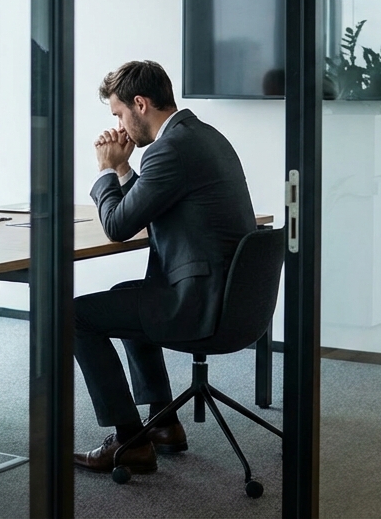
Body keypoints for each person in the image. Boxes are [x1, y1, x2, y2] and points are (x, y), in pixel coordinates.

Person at [72, 60, 258, 475]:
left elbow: (118, 226)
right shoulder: (201, 136)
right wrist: (124, 168)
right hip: (232, 298)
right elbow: (151, 200)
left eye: (119, 114)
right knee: (126, 294)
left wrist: (105, 170)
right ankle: (163, 422)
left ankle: (130, 440)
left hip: (199, 304)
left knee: (73, 316)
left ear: (140, 104)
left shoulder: (168, 149)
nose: (119, 126)